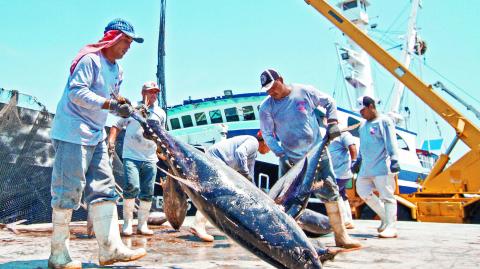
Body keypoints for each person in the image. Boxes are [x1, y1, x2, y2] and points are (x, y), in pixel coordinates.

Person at [48, 18, 146, 268]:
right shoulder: (90, 60)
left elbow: (109, 100)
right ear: (112, 38)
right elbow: (76, 92)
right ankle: (58, 254)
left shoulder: (118, 70)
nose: (128, 47)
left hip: (95, 132)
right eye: (126, 41)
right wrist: (110, 105)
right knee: (67, 190)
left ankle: (110, 248)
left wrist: (121, 107)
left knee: (104, 187)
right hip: (73, 131)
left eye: (131, 42)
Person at [259, 68, 361, 249]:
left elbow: (329, 102)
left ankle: (341, 236)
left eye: (273, 87)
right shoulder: (267, 107)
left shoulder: (304, 91)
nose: (270, 92)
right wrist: (280, 154)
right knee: (286, 201)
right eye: (267, 90)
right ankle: (288, 239)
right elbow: (267, 134)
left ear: (281, 80)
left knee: (331, 192)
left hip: (317, 153)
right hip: (290, 160)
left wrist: (333, 123)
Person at [107, 81, 166, 236]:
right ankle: (127, 224)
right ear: (143, 93)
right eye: (150, 92)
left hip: (150, 157)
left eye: (155, 92)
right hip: (131, 155)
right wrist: (111, 141)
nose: (153, 95)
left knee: (147, 191)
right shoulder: (131, 108)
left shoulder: (160, 113)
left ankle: (142, 225)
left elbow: (162, 134)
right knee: (132, 187)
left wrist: (162, 152)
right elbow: (116, 125)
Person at [190, 132, 270, 242]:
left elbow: (250, 175)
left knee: (221, 196)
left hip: (221, 162)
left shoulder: (253, 153)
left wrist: (255, 191)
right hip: (215, 159)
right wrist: (245, 173)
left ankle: (211, 225)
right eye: (270, 146)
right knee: (216, 195)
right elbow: (240, 152)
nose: (270, 151)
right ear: (265, 142)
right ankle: (197, 225)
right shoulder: (253, 142)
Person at [352, 95, 400, 238]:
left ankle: (392, 226)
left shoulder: (384, 121)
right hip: (366, 167)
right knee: (362, 190)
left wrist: (395, 159)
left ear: (371, 106)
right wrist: (358, 160)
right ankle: (385, 218)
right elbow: (362, 145)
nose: (361, 113)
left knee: (387, 196)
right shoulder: (362, 126)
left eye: (363, 110)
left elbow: (391, 141)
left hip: (382, 166)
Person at [328, 130, 357, 229]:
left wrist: (354, 161)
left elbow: (352, 147)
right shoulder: (330, 135)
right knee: (342, 194)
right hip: (334, 172)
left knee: (335, 193)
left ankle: (345, 220)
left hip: (341, 171)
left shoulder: (344, 134)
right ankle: (349, 220)